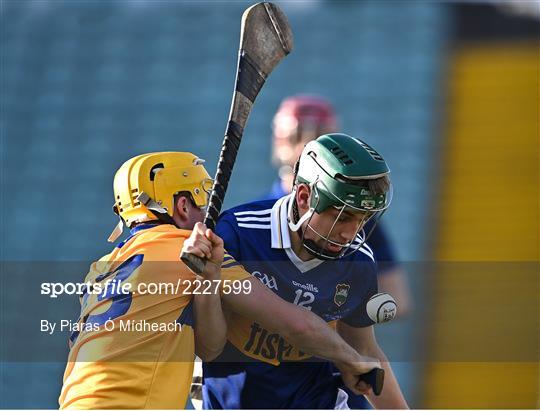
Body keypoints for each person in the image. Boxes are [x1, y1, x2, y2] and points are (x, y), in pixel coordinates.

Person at [59, 152, 384, 409]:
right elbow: (293, 324)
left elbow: (211, 347)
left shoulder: (101, 268)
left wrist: (208, 282)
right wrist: (352, 359)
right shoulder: (184, 248)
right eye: (204, 200)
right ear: (182, 206)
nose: (213, 217)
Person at [203, 133, 409, 409]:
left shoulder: (358, 262)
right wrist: (348, 358)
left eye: (363, 220)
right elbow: (296, 327)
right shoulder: (239, 235)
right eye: (343, 216)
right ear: (304, 197)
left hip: (317, 398)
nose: (351, 233)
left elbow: (364, 350)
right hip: (237, 398)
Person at [269, 95, 411, 317]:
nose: (304, 149)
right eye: (296, 137)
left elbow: (398, 299)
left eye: (317, 138)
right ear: (279, 142)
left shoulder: (358, 219)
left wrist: (335, 312)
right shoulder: (256, 216)